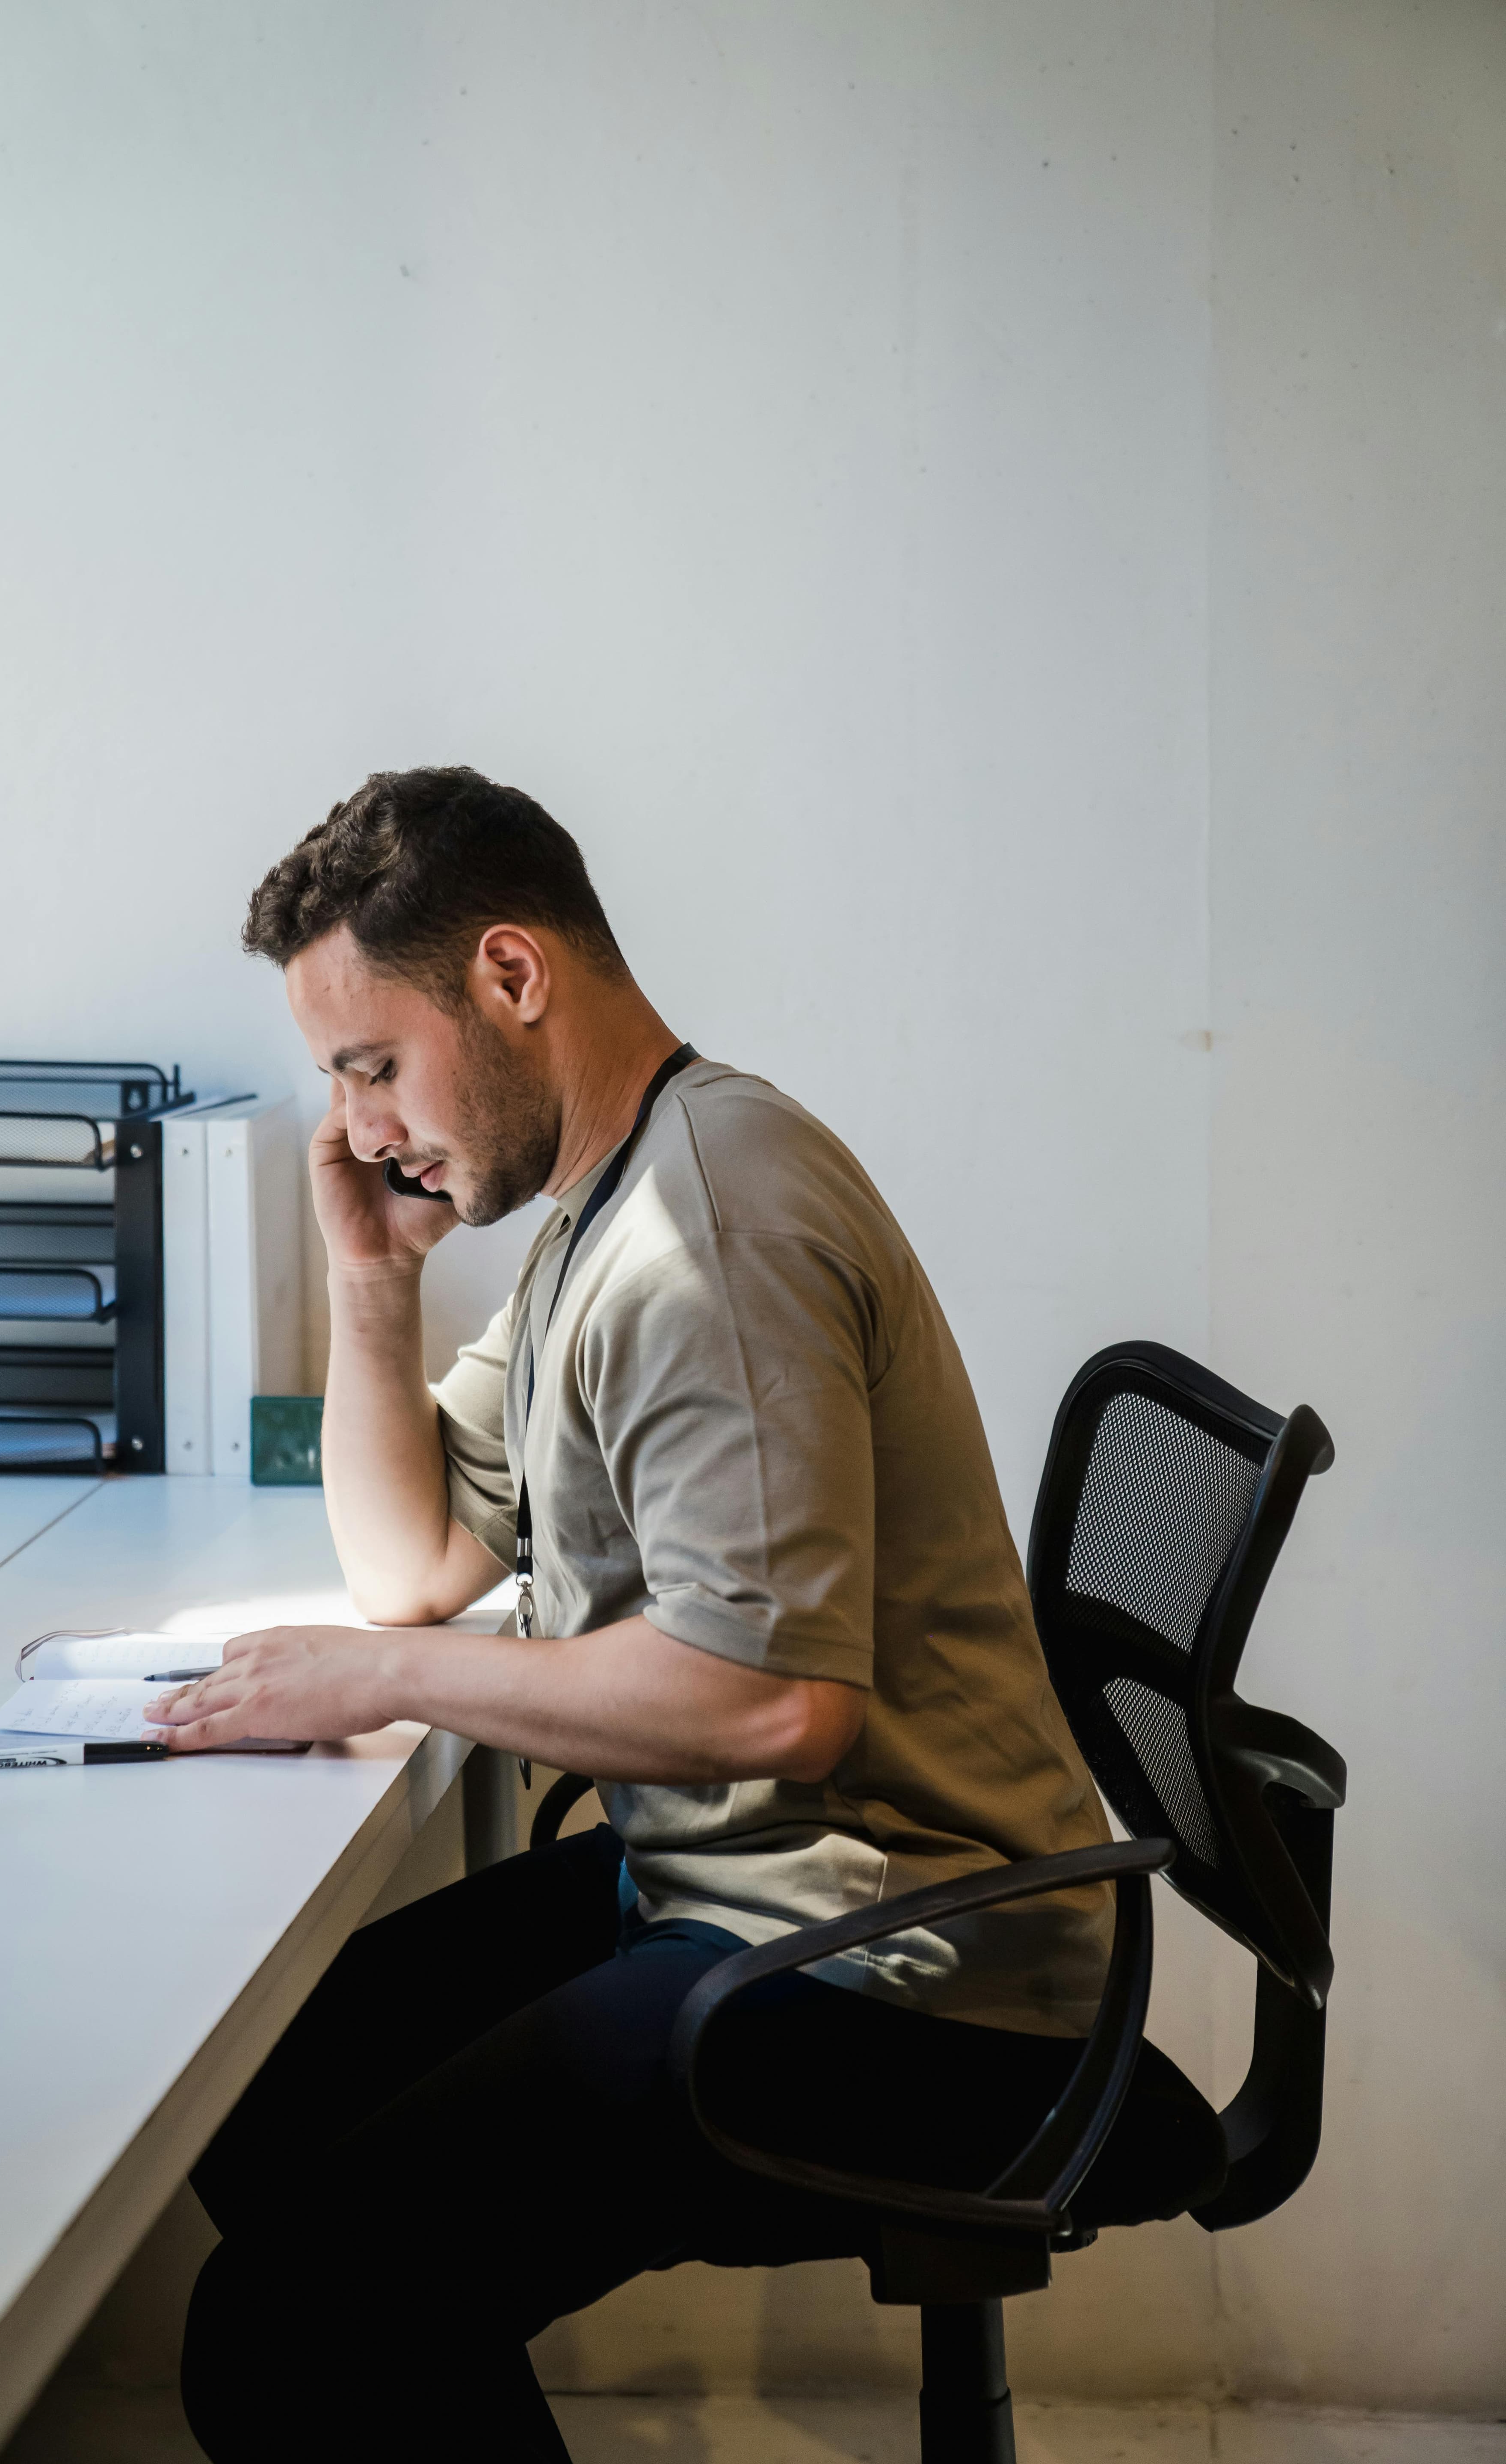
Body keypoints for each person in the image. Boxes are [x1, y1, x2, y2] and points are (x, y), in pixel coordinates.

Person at [162, 766, 1215, 2461]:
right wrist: (370, 1276)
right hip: (756, 1884)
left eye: (372, 1066)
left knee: (286, 2330)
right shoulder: (605, 1204)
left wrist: (381, 1679)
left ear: (512, 976)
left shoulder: (704, 1231)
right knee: (266, 2092)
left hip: (911, 1972)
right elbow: (413, 1566)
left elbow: (773, 1704)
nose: (356, 1126)